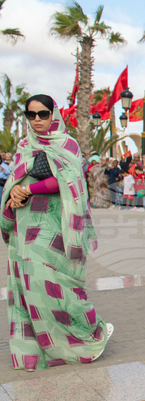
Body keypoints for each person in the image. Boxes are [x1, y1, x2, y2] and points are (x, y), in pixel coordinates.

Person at [2, 94, 112, 370]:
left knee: (59, 284)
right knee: (31, 286)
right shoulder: (24, 146)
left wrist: (27, 188)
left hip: (56, 225)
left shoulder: (67, 144)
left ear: (54, 114)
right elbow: (15, 179)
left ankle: (92, 332)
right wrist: (14, 195)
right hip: (26, 224)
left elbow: (67, 178)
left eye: (43, 113)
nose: (37, 119)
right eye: (31, 115)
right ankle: (43, 347)